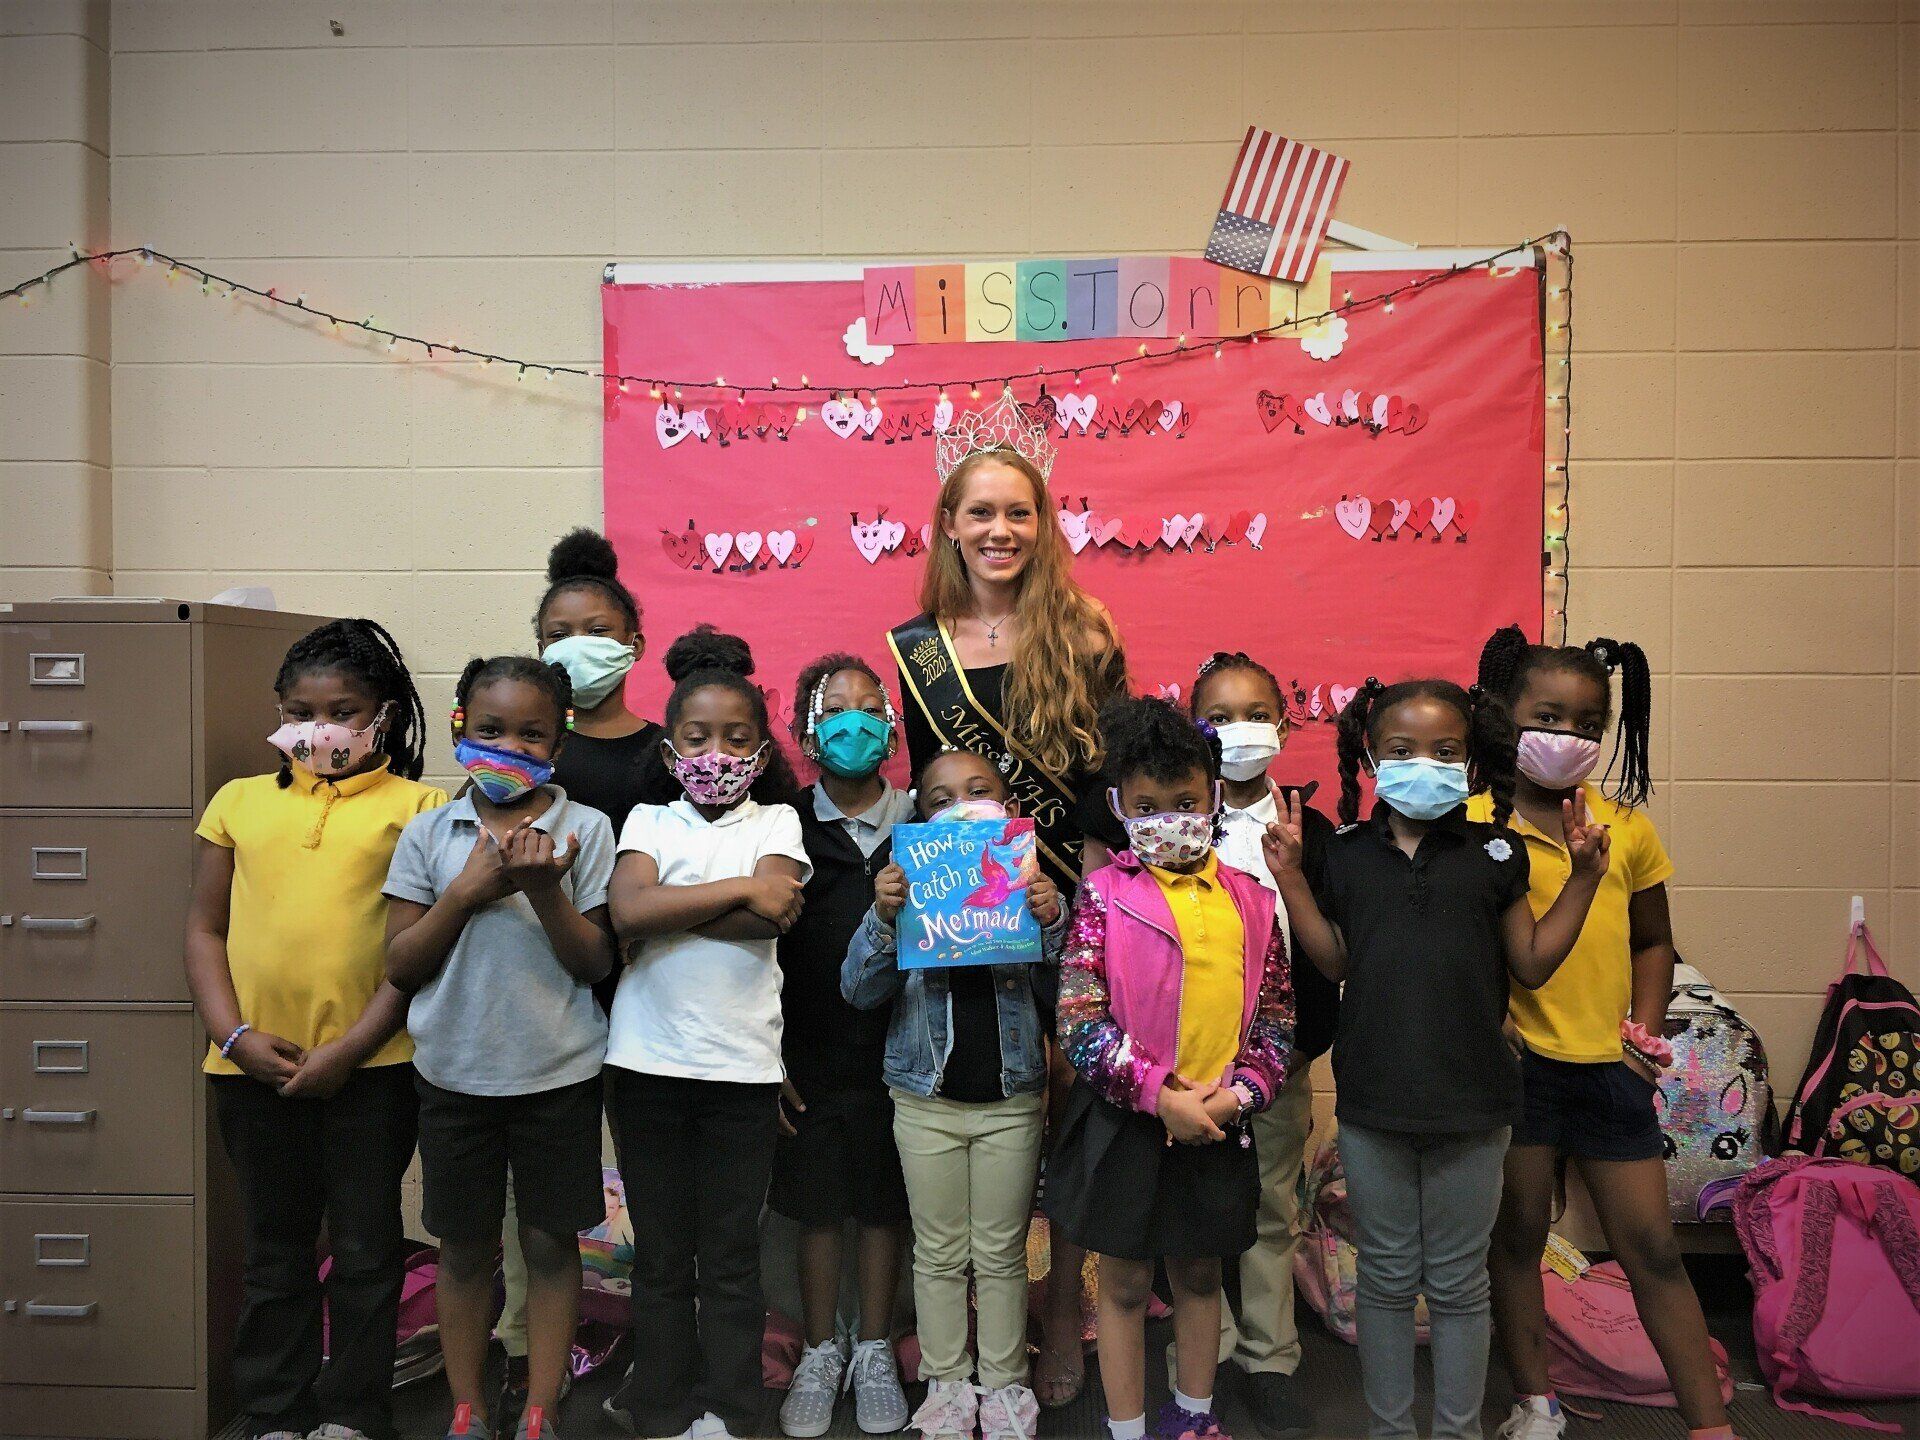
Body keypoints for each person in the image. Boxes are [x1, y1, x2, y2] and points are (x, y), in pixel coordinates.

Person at [1262, 678, 1610, 1440]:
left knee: (1457, 1284)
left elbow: (1532, 962)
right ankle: (1390, 1430)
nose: (1423, 763)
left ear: (1474, 765)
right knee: (1385, 1279)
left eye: (1444, 752)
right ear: (1370, 758)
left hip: (1476, 1104)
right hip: (1374, 1100)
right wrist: (1292, 880)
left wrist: (1584, 880)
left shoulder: (1497, 851)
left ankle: (1456, 1431)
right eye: (1401, 750)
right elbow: (1333, 962)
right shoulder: (1347, 854)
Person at [887, 394, 1127, 1403]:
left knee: (1071, 1115)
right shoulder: (915, 650)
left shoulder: (1086, 631)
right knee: (978, 1102)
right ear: (950, 524)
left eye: (1018, 513)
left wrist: (1091, 912)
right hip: (966, 922)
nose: (999, 531)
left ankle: (1061, 1317)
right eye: (980, 512)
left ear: (1044, 524)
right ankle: (965, 1345)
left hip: (1061, 908)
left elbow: (1110, 790)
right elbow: (931, 791)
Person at [1474, 627, 1737, 1440]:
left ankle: (1711, 1426)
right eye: (1549, 717)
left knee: (1653, 1251)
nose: (1570, 737)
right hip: (1516, 1076)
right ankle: (1535, 1404)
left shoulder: (1626, 830)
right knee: (1516, 1238)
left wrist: (1645, 1038)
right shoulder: (1473, 824)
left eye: (1589, 724)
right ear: (1505, 718)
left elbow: (1653, 940)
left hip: (1610, 1071)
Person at [184, 619, 442, 1440]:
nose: (320, 729)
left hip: (371, 1070)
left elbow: (415, 954)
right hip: (250, 1072)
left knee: (367, 1252)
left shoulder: (422, 806)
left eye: (343, 710)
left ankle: (352, 1415)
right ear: (280, 712)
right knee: (275, 1253)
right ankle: (272, 1411)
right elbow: (203, 930)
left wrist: (352, 1048)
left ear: (384, 717)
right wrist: (234, 1038)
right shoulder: (239, 802)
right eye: (302, 710)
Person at [1047, 697, 1296, 1440]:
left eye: (1185, 802)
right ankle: (1126, 1427)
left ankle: (1193, 1421)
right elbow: (1081, 1022)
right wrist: (1159, 1097)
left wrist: (1240, 1095)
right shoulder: (1103, 895)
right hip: (1128, 1124)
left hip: (1221, 1124)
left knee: (1198, 1276)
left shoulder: (1251, 900)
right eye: (1147, 806)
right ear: (1121, 807)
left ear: (1215, 798)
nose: (1169, 818)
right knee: (1123, 1282)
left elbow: (1278, 1023)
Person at [384, 656, 618, 1440]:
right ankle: (468, 1408)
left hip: (558, 1075)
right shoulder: (430, 832)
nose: (508, 748)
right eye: (489, 731)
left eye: (530, 734)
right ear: (460, 728)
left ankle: (541, 1409)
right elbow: (401, 964)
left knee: (552, 1243)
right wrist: (466, 893)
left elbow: (594, 963)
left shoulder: (586, 831)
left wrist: (546, 889)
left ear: (561, 740)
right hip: (454, 1076)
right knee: (463, 1247)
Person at [604, 626, 811, 1440]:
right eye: (696, 738)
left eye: (736, 739)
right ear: (668, 747)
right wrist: (732, 895)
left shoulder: (780, 825)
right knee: (658, 1256)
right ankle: (660, 1406)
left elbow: (773, 917)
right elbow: (627, 910)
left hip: (741, 1074)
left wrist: (669, 914)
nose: (715, 753)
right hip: (645, 1067)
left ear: (760, 753)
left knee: (729, 1259)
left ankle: (730, 1410)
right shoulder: (650, 819)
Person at [841, 748, 1067, 1440]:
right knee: (937, 1252)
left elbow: (1075, 996)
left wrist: (1053, 921)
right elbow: (858, 989)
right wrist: (884, 918)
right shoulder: (904, 892)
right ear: (921, 818)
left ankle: (1003, 1386)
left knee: (1001, 1252)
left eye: (980, 791)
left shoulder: (1033, 885)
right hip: (923, 1100)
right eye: (941, 798)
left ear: (1007, 805)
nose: (962, 804)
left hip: (1010, 1100)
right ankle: (945, 1386)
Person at [491, 528, 658, 1430]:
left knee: (652, 1183)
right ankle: (525, 1349)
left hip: (649, 1003)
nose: (579, 645)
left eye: (598, 628)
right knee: (539, 1200)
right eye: (559, 630)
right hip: (540, 1003)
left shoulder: (674, 754)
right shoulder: (521, 755)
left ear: (634, 642)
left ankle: (658, 1338)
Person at [1189, 652, 1335, 1440]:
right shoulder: (1176, 819)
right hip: (1191, 1051)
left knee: (1273, 1202)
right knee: (1199, 1205)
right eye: (1217, 715)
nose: (1237, 730)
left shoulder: (1314, 826)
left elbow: (1329, 944)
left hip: (1282, 1050)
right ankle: (1199, 1355)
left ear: (1283, 723)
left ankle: (1269, 1356)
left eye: (1255, 712)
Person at [773, 653, 914, 1438]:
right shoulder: (783, 825)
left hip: (905, 1054)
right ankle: (821, 1349)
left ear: (891, 727)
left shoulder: (928, 821)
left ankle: (872, 1349)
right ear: (807, 729)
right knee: (820, 1207)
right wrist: (769, 1056)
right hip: (810, 1056)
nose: (852, 723)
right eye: (835, 711)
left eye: (869, 709)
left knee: (884, 1206)